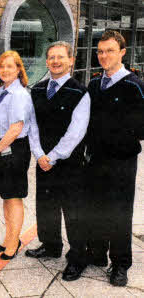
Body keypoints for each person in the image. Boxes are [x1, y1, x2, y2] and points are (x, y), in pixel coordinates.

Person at [26, 41, 91, 281]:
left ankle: (77, 257)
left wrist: (52, 156)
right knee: (45, 206)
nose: (55, 61)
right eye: (51, 57)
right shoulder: (37, 90)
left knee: (73, 211)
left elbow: (76, 132)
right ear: (46, 61)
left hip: (69, 163)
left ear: (71, 60)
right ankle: (50, 245)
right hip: (43, 160)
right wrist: (39, 154)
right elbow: (32, 125)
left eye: (61, 57)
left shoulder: (80, 92)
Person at [85, 30, 144, 286]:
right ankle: (97, 254)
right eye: (100, 51)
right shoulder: (94, 84)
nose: (103, 55)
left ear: (122, 52)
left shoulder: (135, 85)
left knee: (119, 212)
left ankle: (120, 264)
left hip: (121, 161)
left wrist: (119, 135)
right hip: (95, 158)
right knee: (96, 206)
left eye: (109, 50)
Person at [0, 50, 32, 260]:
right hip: (1, 146)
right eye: (1, 67)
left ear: (19, 70)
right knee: (6, 196)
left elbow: (16, 128)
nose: (5, 70)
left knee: (14, 197)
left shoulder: (19, 94)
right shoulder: (0, 92)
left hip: (14, 149)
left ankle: (14, 243)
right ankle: (9, 237)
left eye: (10, 66)